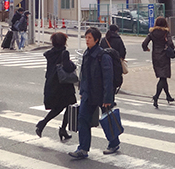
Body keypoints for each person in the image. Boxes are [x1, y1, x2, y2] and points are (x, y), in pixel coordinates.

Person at [69, 27, 119, 159]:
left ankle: (114, 143)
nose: (87, 40)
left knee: (107, 120)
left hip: (101, 95)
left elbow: (108, 79)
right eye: (86, 37)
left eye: (89, 38)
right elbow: (84, 75)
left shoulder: (103, 56)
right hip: (88, 94)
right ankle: (83, 149)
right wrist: (82, 90)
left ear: (96, 40)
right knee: (82, 119)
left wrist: (108, 97)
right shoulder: (87, 54)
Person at [36, 32, 76, 141]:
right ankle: (62, 128)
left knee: (58, 107)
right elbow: (68, 67)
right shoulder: (64, 53)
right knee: (70, 106)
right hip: (64, 85)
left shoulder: (50, 54)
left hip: (52, 84)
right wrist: (73, 65)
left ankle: (43, 124)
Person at [141, 16, 175, 108]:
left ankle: (168, 96)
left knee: (162, 77)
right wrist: (171, 48)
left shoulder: (152, 33)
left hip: (155, 56)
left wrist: (146, 49)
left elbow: (144, 43)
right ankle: (156, 97)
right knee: (163, 77)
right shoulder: (166, 32)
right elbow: (170, 43)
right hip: (164, 56)